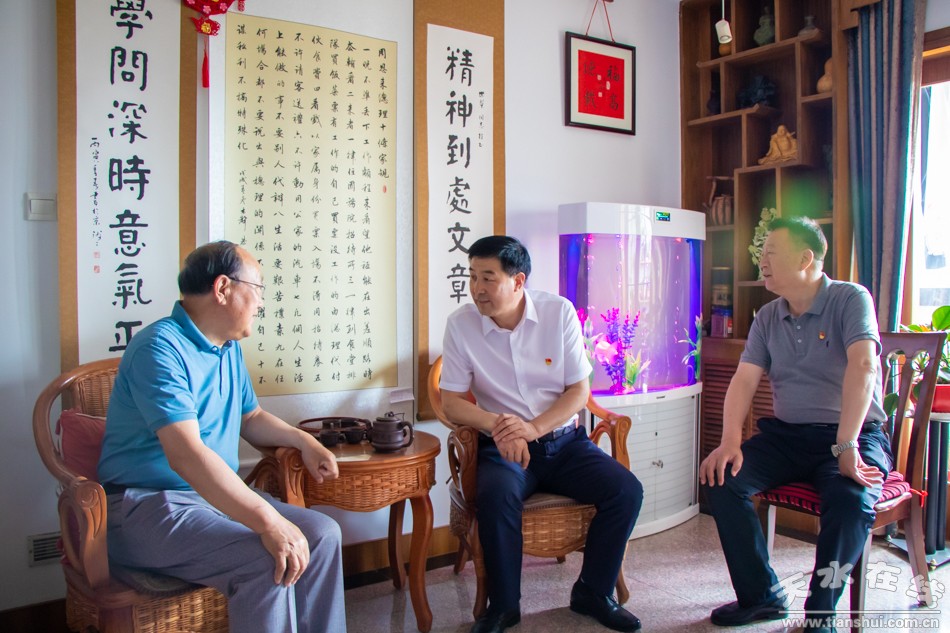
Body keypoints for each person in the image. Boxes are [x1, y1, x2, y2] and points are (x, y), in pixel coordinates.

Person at [98, 240, 346, 633]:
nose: (261, 302)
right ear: (223, 288)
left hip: (209, 501)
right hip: (146, 507)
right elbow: (187, 455)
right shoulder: (158, 349)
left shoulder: (227, 348)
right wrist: (268, 520)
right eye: (258, 288)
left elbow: (252, 417)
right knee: (269, 556)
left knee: (323, 535)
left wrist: (305, 441)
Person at [439, 235, 644, 633]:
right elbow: (451, 403)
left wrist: (533, 428)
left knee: (626, 491)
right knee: (496, 497)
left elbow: (579, 391)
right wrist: (502, 427)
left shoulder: (558, 312)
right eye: (472, 276)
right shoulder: (461, 325)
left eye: (488, 278)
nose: (477, 288)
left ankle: (593, 592)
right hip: (504, 448)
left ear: (518, 281)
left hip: (563, 444)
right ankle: (504, 606)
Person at [699, 217, 891, 633]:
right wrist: (730, 441)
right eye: (761, 253)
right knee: (721, 478)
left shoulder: (850, 299)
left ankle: (821, 614)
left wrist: (846, 444)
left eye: (771, 253)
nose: (762, 261)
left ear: (806, 259)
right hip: (786, 436)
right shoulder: (768, 316)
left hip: (852, 435)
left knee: (851, 500)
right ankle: (761, 597)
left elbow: (864, 366)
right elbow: (744, 379)